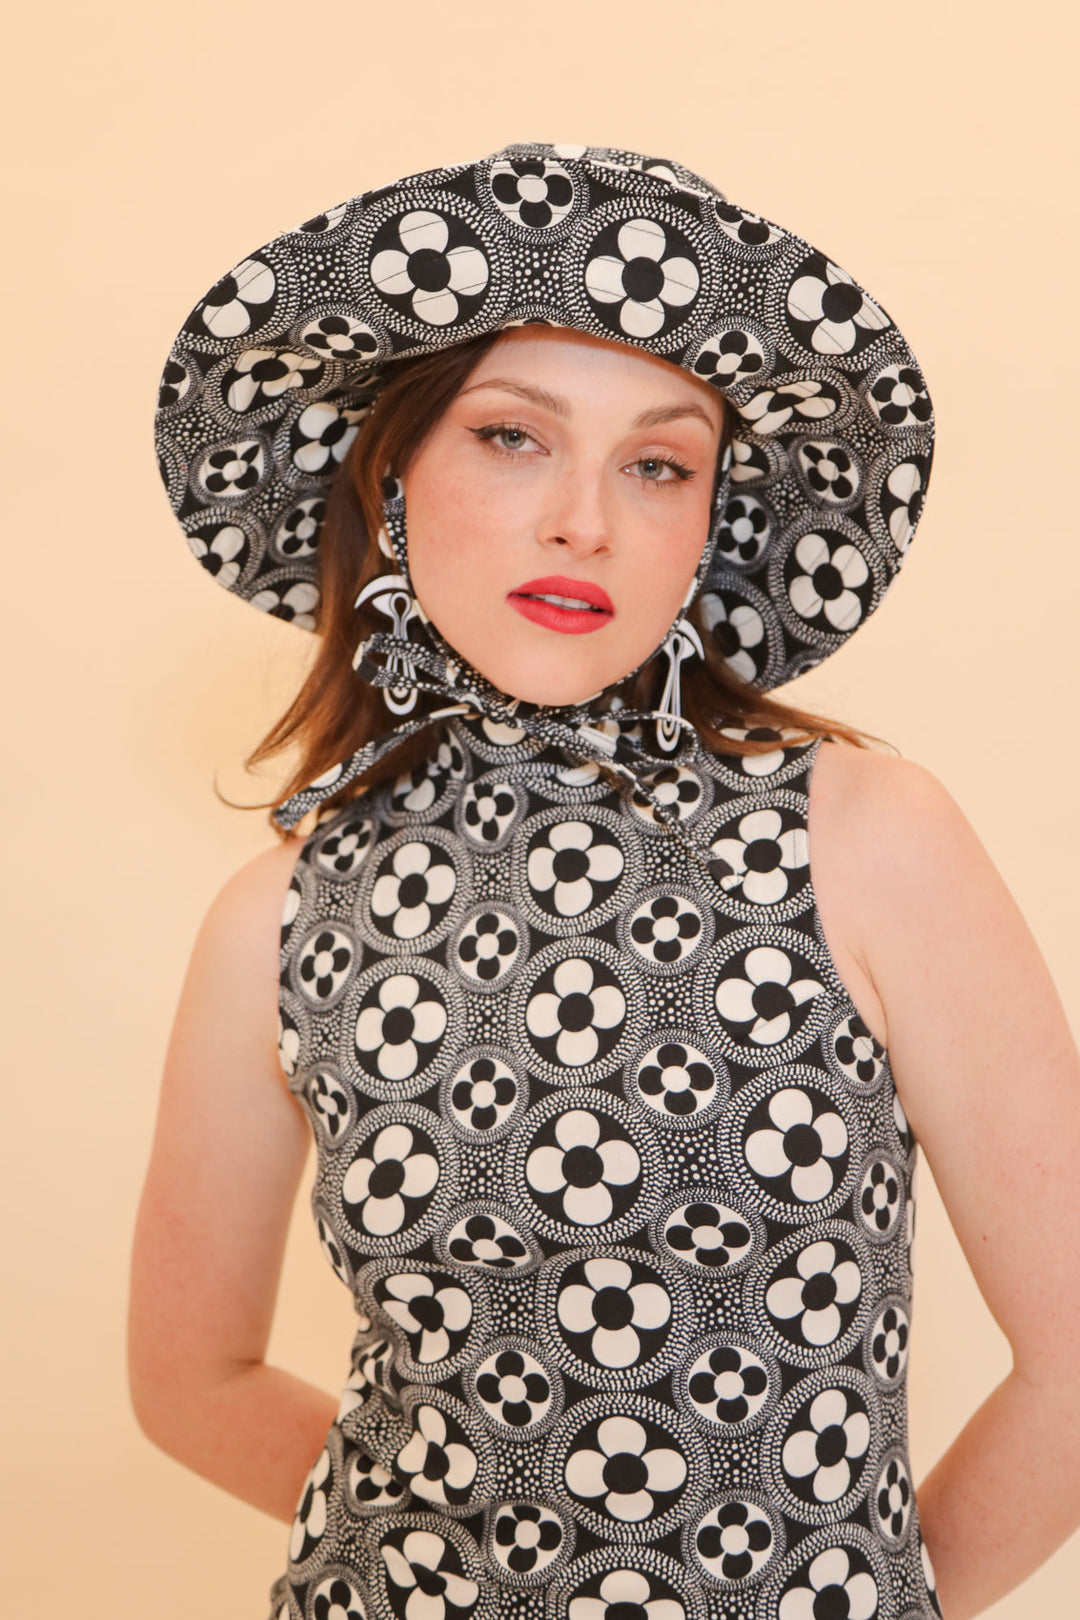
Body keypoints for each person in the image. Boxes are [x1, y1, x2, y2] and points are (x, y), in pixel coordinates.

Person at [130, 142, 1080, 1620]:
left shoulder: (866, 837)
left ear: (707, 528)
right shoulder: (278, 919)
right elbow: (190, 1382)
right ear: (389, 479)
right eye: (513, 438)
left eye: (657, 463)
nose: (588, 519)